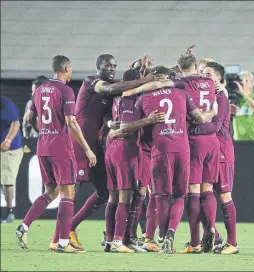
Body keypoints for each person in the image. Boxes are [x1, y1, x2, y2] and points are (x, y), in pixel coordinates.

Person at [110, 65, 216, 254]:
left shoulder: (143, 99)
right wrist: (213, 112)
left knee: (159, 196)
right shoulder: (182, 94)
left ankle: (154, 235)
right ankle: (170, 233)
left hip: (158, 151)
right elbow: (199, 118)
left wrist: (114, 126)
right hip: (182, 149)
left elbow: (128, 127)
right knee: (179, 195)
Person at [68, 54, 159, 251]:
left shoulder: (119, 90)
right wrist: (146, 80)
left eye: (114, 66)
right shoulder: (92, 82)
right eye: (108, 65)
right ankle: (65, 231)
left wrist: (140, 68)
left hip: (99, 145)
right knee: (71, 189)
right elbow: (114, 88)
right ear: (98, 67)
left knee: (107, 192)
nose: (112, 68)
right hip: (81, 143)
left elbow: (124, 87)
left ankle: (108, 237)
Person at [15, 55, 96, 253]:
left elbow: (28, 117)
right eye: (70, 70)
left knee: (51, 192)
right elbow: (71, 122)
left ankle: (24, 226)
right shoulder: (66, 90)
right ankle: (62, 243)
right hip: (60, 148)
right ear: (66, 69)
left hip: (43, 146)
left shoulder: (41, 89)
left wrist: (41, 130)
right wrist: (87, 149)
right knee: (68, 193)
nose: (70, 74)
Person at [103, 69, 166, 253]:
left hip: (113, 148)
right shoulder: (130, 99)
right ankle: (117, 241)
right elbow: (125, 127)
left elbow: (110, 119)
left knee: (114, 197)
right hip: (124, 149)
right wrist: (148, 120)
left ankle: (112, 240)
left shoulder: (118, 96)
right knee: (125, 196)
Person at [189, 61, 239, 254]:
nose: (203, 76)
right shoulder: (201, 97)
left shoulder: (220, 98)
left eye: (208, 73)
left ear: (219, 80)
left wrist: (192, 124)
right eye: (201, 72)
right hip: (206, 150)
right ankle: (213, 236)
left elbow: (216, 126)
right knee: (202, 193)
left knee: (224, 195)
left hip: (222, 150)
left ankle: (232, 243)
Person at [177, 52, 220, 253]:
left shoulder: (179, 85)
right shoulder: (210, 84)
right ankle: (210, 227)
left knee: (192, 193)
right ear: (196, 65)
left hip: (193, 139)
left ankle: (194, 243)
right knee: (208, 189)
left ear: (179, 68)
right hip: (212, 140)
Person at [1, 96, 24, 223]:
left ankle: (10, 212)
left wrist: (8, 140)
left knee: (7, 179)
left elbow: (16, 123)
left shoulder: (5, 103)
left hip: (9, 148)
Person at [232, 70, 254, 141]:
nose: (242, 83)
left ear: (251, 83)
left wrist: (244, 94)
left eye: (246, 81)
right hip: (239, 140)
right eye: (241, 81)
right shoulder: (235, 100)